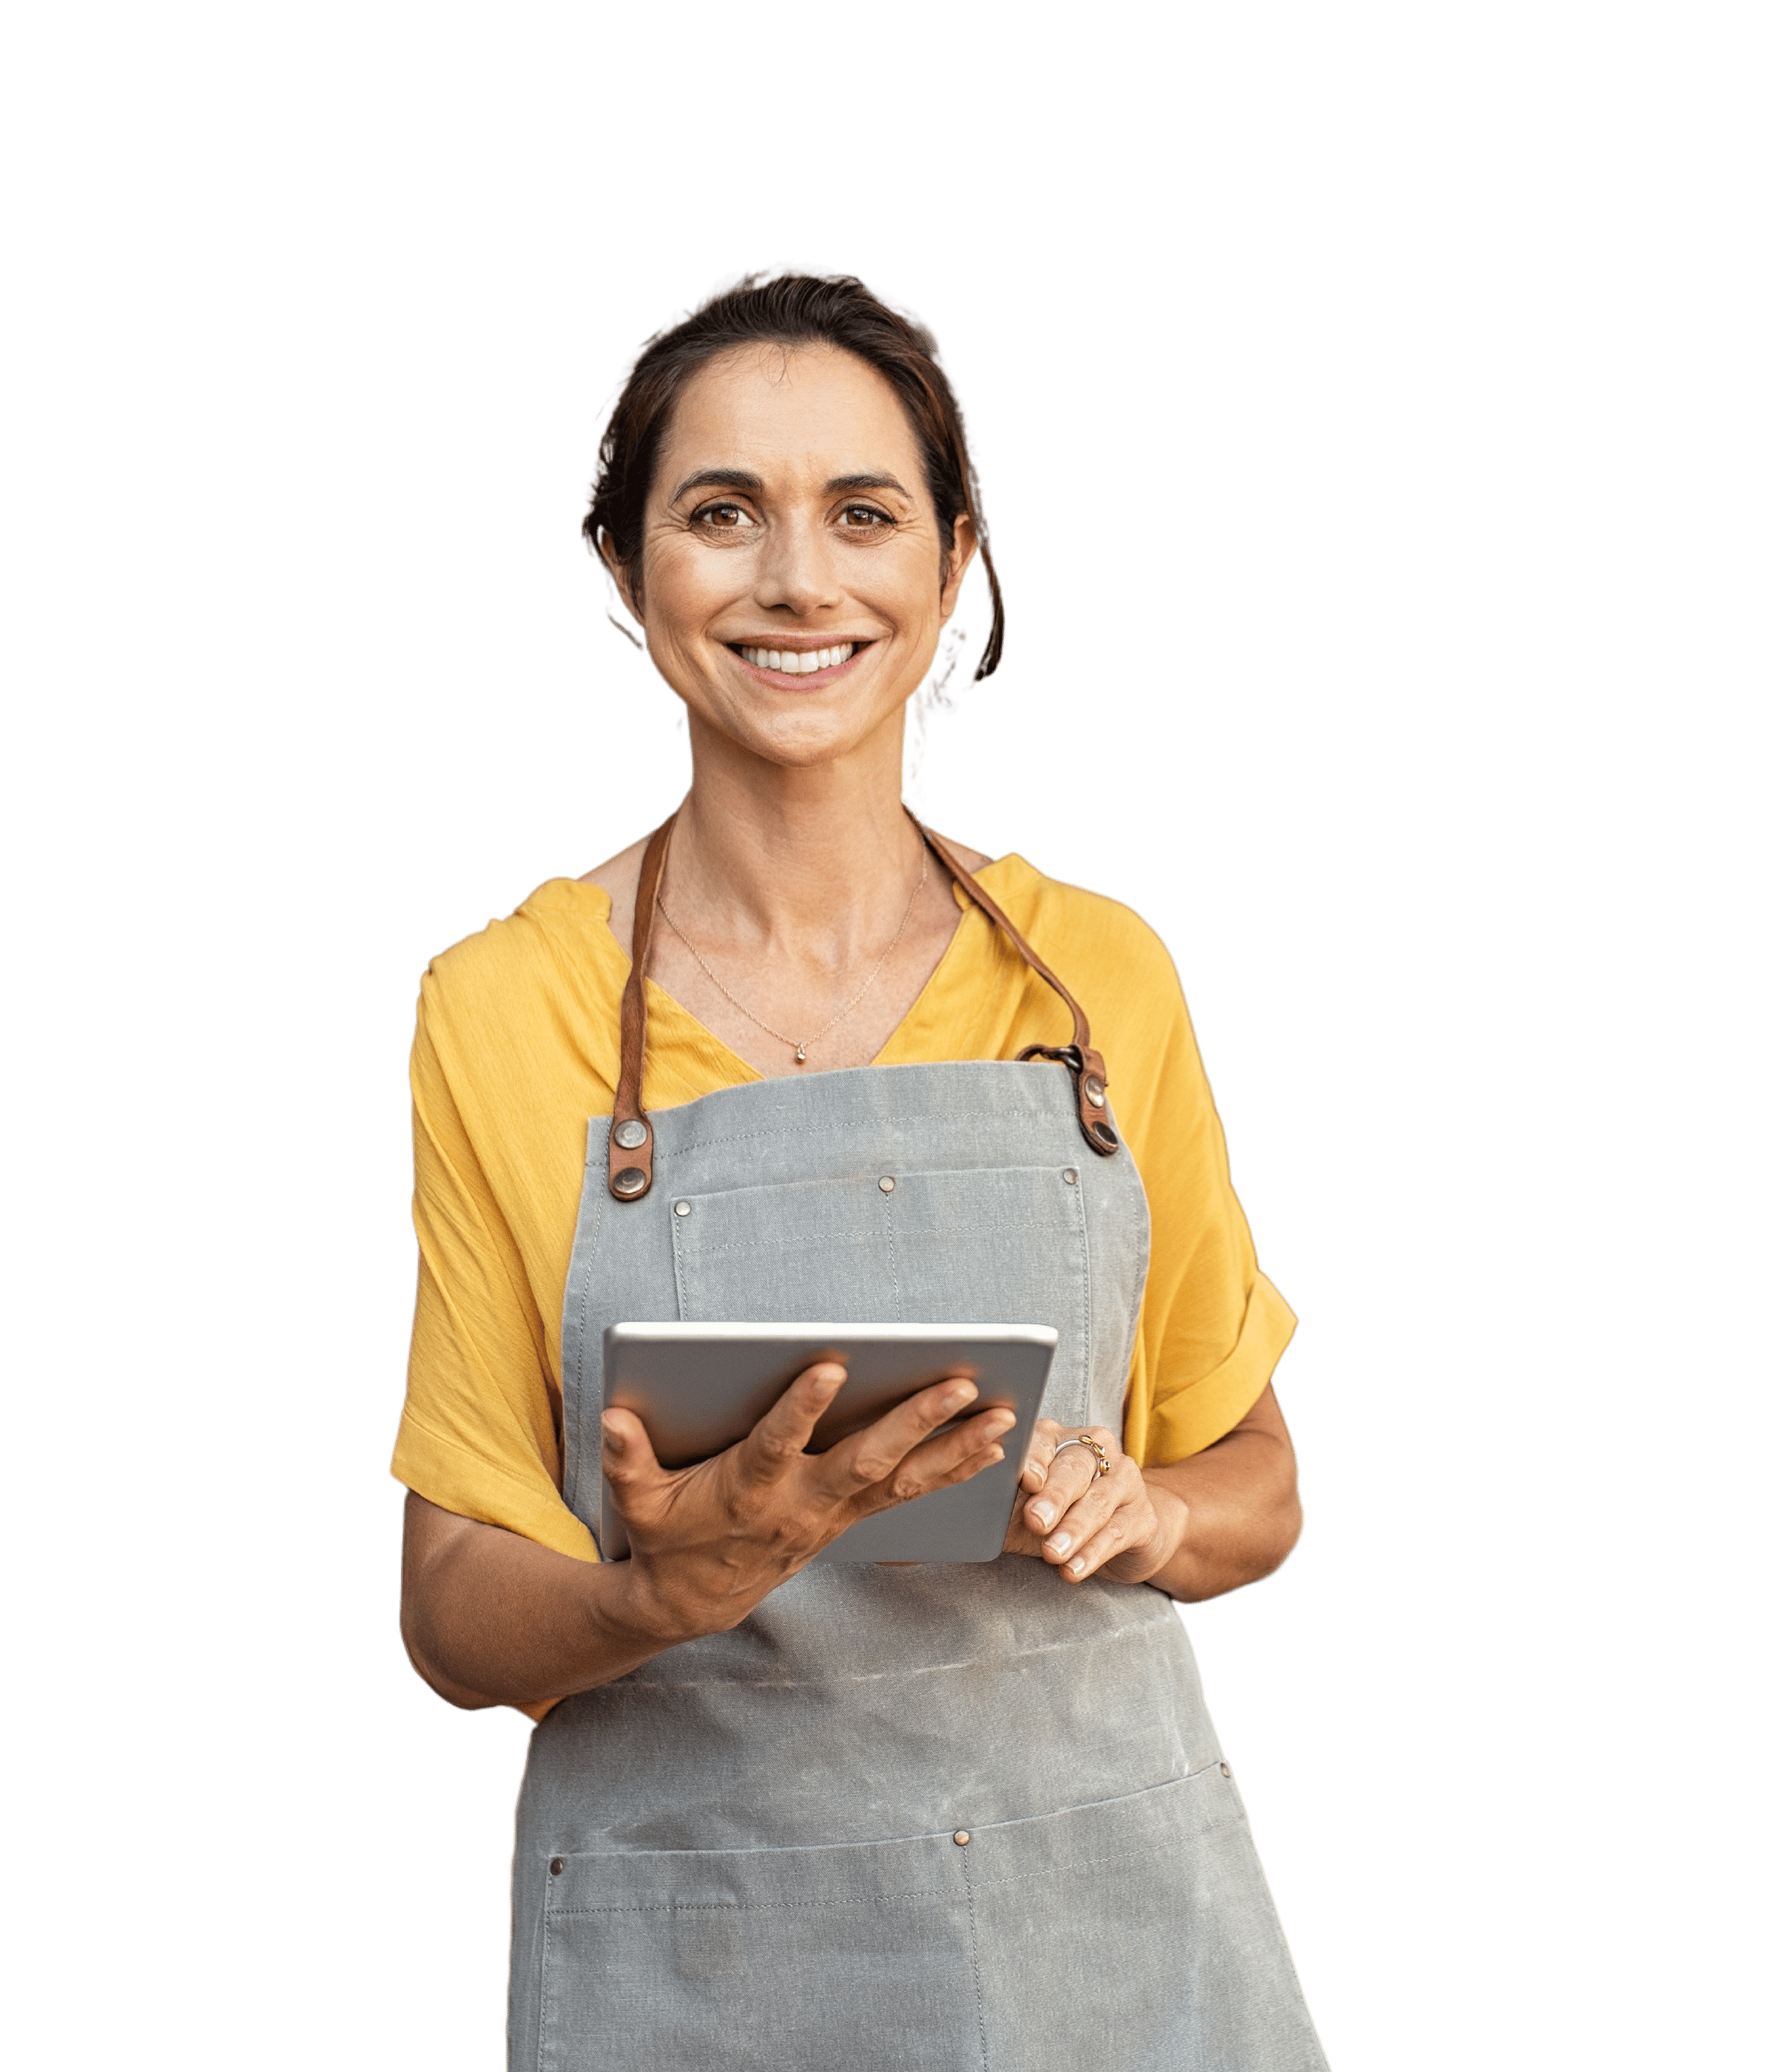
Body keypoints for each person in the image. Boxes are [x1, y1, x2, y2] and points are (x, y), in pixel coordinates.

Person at [388, 262, 1326, 2068]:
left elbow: (1258, 1474)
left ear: (951, 566)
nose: (797, 580)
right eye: (719, 513)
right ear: (621, 571)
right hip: (712, 1952)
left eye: (864, 513)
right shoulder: (504, 1008)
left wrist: (1156, 1514)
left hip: (1105, 1923)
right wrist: (664, 1587)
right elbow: (446, 1613)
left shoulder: (1096, 975)